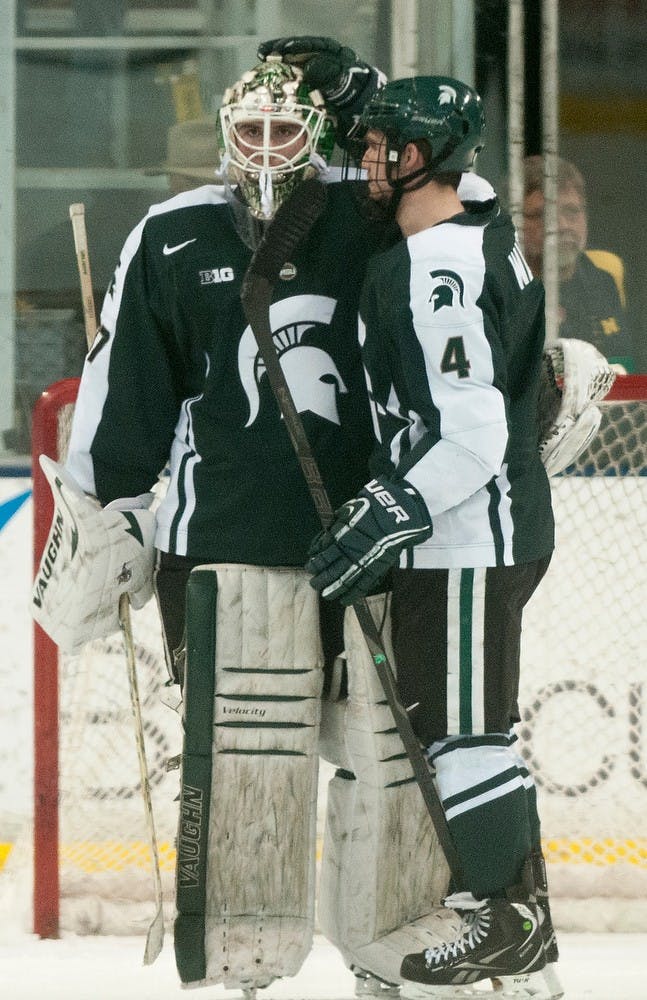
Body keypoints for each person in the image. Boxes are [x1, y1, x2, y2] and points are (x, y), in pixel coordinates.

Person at [36, 37, 488, 1000]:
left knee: (391, 762)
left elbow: (466, 310)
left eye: (291, 125)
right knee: (247, 767)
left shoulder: (382, 221)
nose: (271, 146)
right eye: (253, 127)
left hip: (380, 547)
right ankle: (243, 967)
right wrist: (105, 512)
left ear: (323, 129)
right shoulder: (171, 234)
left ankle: (395, 955)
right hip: (226, 553)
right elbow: (130, 393)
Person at [306, 77, 562, 997]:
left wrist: (390, 509)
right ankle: (518, 919)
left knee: (463, 739)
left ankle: (505, 921)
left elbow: (472, 432)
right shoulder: (458, 231)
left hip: (465, 535)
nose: (366, 160)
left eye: (382, 145)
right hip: (481, 531)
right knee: (465, 730)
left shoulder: (435, 268)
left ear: (424, 156)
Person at [520, 154, 634, 371]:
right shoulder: (502, 287)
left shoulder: (602, 280)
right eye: (543, 214)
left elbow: (625, 366)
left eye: (571, 211)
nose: (562, 225)